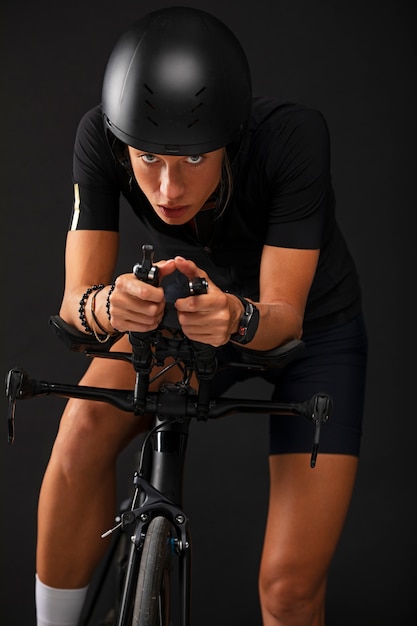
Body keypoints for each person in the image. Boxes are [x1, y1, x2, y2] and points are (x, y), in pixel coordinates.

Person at [35, 6, 367, 626]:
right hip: (191, 311)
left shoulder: (293, 138)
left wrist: (238, 319)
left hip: (311, 330)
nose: (167, 190)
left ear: (230, 140)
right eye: (149, 160)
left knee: (289, 591)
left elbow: (283, 319)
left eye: (191, 160)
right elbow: (73, 305)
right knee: (81, 426)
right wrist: (106, 304)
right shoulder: (99, 138)